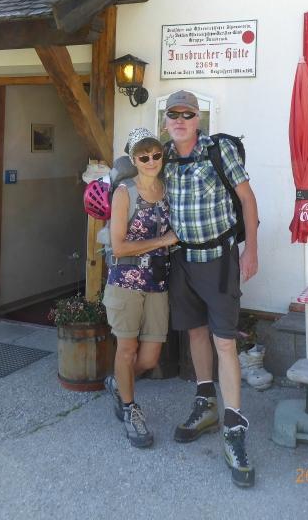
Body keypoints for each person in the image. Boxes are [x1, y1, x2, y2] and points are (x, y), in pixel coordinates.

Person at [163, 90, 259, 488]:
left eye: (188, 114)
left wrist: (250, 249)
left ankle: (234, 431)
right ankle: (206, 406)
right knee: (195, 334)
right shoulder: (161, 158)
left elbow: (247, 198)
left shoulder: (218, 151)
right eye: (174, 114)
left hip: (219, 261)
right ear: (167, 120)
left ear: (198, 119)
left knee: (224, 342)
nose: (181, 120)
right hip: (182, 261)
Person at [103, 127, 178, 448]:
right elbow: (118, 247)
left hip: (157, 283)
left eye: (156, 154)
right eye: (143, 156)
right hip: (125, 282)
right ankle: (131, 410)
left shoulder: (168, 190)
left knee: (149, 358)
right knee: (127, 349)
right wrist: (163, 240)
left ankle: (119, 384)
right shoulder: (125, 193)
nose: (151, 160)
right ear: (134, 160)